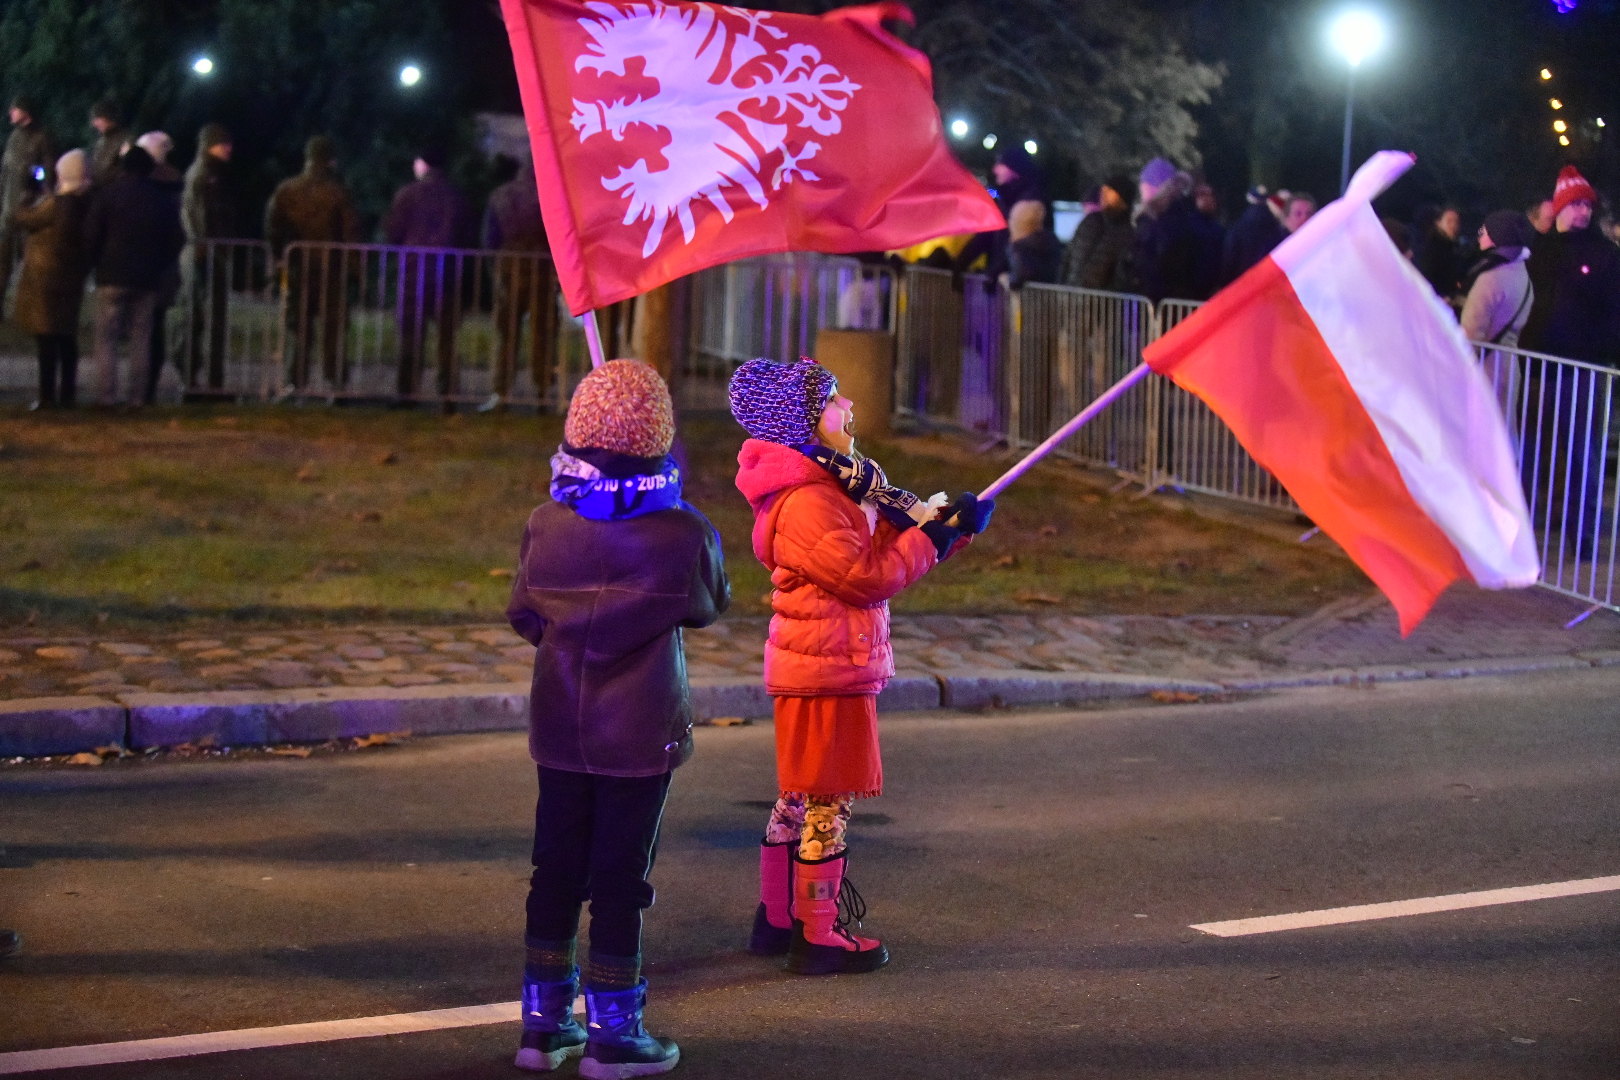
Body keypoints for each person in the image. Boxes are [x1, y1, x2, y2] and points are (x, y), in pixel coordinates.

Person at [729, 357, 993, 976]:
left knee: (803, 793)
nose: (847, 407)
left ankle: (778, 918)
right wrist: (931, 541)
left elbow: (877, 548)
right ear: (804, 421)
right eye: (833, 399)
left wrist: (947, 530)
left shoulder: (834, 485)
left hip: (822, 659)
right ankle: (818, 932)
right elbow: (864, 576)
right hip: (828, 665)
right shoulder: (809, 500)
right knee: (829, 799)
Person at [507, 359, 729, 1076]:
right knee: (621, 878)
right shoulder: (682, 533)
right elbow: (710, 603)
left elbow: (524, 614)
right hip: (639, 731)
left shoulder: (546, 525)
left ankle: (542, 1023)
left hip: (561, 724)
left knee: (555, 867)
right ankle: (615, 1030)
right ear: (658, 438)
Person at [83, 146, 185, 405]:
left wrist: (95, 263)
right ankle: (137, 397)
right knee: (141, 339)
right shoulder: (161, 200)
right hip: (147, 278)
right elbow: (175, 239)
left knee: (106, 338)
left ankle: (106, 396)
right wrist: (159, 264)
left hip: (111, 275)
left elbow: (92, 234)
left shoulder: (109, 194)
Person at [265, 136, 360, 387]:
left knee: (298, 327)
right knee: (333, 330)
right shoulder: (338, 192)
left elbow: (273, 229)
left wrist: (279, 260)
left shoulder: (287, 190)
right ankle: (336, 385)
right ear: (329, 160)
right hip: (332, 270)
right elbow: (350, 233)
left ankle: (294, 383)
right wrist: (356, 271)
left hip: (297, 267)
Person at [384, 145, 474, 401]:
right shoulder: (456, 197)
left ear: (423, 164)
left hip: (414, 273)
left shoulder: (408, 194)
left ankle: (407, 392)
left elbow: (393, 231)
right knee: (447, 338)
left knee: (411, 336)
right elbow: (468, 235)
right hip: (448, 273)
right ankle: (447, 393)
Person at [12, 149, 92, 408]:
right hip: (71, 278)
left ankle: (47, 396)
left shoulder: (56, 204)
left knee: (46, 339)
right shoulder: (85, 204)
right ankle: (67, 393)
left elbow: (23, 218)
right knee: (66, 337)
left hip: (46, 279)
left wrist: (27, 195)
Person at [1521, 167, 1620, 365]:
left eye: (1588, 205)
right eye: (1576, 204)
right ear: (1560, 207)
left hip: (1583, 364)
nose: (1584, 211)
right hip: (1534, 359)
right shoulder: (1537, 249)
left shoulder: (1604, 253)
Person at [483, 152, 554, 399]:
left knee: (506, 331)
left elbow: (490, 238)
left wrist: (494, 267)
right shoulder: (550, 195)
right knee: (542, 331)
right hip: (542, 268)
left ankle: (501, 389)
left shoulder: (501, 195)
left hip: (508, 267)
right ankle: (542, 389)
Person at [181, 123, 237, 388]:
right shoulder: (207, 175)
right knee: (205, 317)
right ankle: (202, 375)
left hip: (205, 252)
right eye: (223, 143)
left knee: (202, 316)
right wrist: (206, 246)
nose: (228, 148)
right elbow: (202, 215)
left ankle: (201, 374)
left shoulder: (208, 172)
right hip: (206, 254)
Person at [135, 131, 184, 404]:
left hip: (146, 266)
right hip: (166, 266)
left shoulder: (145, 185)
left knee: (144, 329)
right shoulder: (175, 183)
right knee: (156, 327)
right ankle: (149, 388)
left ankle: (140, 389)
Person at [954, 143, 1045, 282]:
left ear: (1014, 168)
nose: (995, 169)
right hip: (1000, 280)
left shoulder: (1031, 202)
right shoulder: (1006, 199)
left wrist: (998, 269)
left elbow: (1024, 245)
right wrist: (961, 262)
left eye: (1000, 164)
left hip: (1016, 282)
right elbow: (987, 235)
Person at [1, 95, 56, 314]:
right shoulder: (14, 136)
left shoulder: (43, 138)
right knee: (2, 262)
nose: (10, 113)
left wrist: (34, 174)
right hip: (8, 210)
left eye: (14, 109)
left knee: (30, 266)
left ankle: (28, 311)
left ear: (25, 112)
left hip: (29, 211)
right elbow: (5, 172)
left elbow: (47, 173)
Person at [1460, 210, 1535, 347]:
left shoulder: (1491, 277)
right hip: (1508, 358)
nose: (1479, 237)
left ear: (1497, 236)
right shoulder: (1524, 277)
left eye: (1482, 232)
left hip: (1485, 360)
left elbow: (1470, 332)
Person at [1132, 158, 1202, 303]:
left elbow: (1157, 263)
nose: (1142, 190)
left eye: (1145, 186)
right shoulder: (1180, 215)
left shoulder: (1161, 221)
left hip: (1157, 300)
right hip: (1160, 300)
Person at [1060, 175, 1134, 292]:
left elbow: (1121, 275)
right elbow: (1068, 257)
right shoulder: (1090, 221)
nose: (1103, 195)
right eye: (1104, 190)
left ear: (1123, 200)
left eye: (1110, 192)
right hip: (1069, 295)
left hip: (1098, 301)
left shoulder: (1126, 233)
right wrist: (1060, 286)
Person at [1220, 185, 1287, 285]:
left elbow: (1229, 261)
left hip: (1241, 285)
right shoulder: (1276, 229)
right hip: (1268, 284)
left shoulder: (1237, 227)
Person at [1005, 199, 1062, 289]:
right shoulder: (1051, 242)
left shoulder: (1019, 247)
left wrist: (1007, 280)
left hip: (1030, 296)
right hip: (1051, 294)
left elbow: (1020, 276)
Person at [1419, 206, 1464, 302]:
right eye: (1449, 221)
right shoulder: (1433, 249)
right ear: (1439, 223)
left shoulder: (1453, 248)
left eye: (1456, 222)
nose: (1453, 225)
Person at [1190, 181, 1225, 298]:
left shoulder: (1218, 228)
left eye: (1211, 195)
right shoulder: (1190, 226)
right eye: (1203, 195)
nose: (1209, 199)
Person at [88, 98, 128, 189]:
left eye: (98, 118)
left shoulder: (125, 140)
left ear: (109, 118)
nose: (94, 123)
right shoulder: (100, 140)